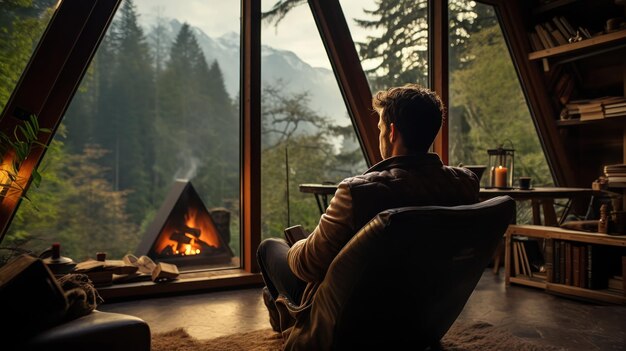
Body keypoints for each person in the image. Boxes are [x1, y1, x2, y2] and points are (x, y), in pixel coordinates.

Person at [256, 83, 480, 333]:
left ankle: (293, 327)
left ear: (392, 132)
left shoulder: (358, 192)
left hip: (353, 320)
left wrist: (299, 245)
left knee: (270, 248)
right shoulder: (464, 184)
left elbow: (308, 264)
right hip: (419, 316)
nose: (380, 134)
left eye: (380, 127)